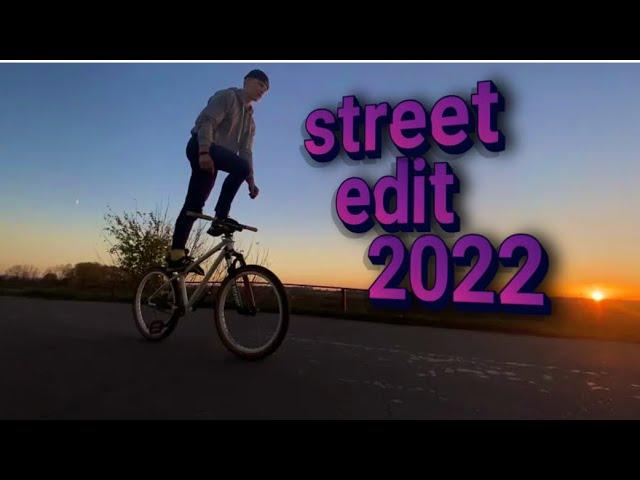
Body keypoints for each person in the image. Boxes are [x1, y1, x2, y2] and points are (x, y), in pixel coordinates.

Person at [166, 69, 269, 271]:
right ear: (247, 81)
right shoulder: (227, 96)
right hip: (200, 144)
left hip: (216, 156)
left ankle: (175, 256)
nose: (261, 91)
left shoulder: (250, 122)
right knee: (240, 167)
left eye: (265, 91)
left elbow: (246, 151)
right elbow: (207, 121)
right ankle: (221, 217)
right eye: (259, 85)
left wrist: (250, 180)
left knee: (194, 206)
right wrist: (204, 151)